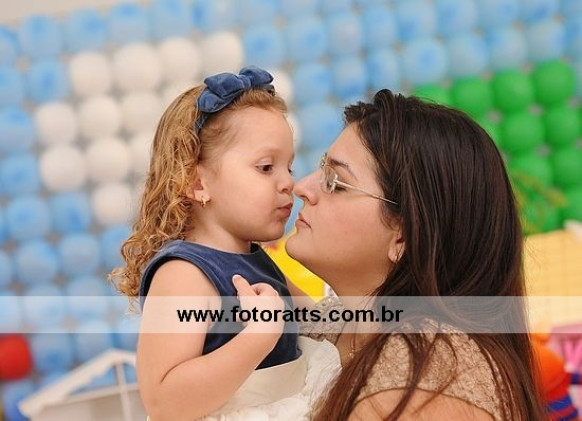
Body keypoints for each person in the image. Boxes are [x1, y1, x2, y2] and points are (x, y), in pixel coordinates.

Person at [286, 89, 547, 420]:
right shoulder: (349, 324)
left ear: (404, 234)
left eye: (335, 182)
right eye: (321, 169)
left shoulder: (431, 369)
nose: (301, 188)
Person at [110, 66, 340, 421]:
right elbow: (163, 401)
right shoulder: (183, 273)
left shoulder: (256, 259)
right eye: (266, 167)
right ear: (197, 184)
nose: (288, 184)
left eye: (289, 168)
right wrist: (257, 338)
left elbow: (323, 326)